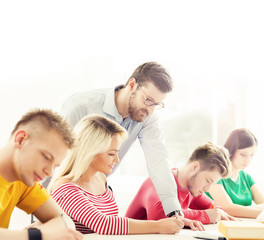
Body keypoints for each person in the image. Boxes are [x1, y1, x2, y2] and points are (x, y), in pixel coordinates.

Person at [61, 62, 183, 218]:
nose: (151, 110)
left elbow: (158, 159)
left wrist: (174, 211)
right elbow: (57, 157)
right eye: (148, 100)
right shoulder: (80, 106)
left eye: (157, 104)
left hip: (98, 195)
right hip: (63, 194)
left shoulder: (147, 116)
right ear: (132, 84)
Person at [49, 114, 184, 235]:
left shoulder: (100, 179)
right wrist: (158, 226)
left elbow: (115, 223)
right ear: (90, 152)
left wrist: (174, 222)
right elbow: (104, 224)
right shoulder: (65, 188)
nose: (117, 160)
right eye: (111, 154)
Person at [0, 109, 83, 240]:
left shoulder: (23, 181)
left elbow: (65, 222)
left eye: (55, 166)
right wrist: (37, 235)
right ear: (21, 139)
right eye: (46, 157)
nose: (49, 172)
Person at [125, 142, 235, 231]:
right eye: (208, 180)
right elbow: (161, 215)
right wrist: (204, 216)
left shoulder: (192, 188)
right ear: (195, 167)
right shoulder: (160, 180)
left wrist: (218, 211)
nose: (207, 189)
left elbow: (212, 205)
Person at [206, 128, 264, 218]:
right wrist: (258, 211)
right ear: (231, 150)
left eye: (251, 155)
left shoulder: (246, 177)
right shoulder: (215, 175)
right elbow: (228, 208)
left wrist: (242, 210)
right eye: (243, 154)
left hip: (245, 225)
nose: (248, 160)